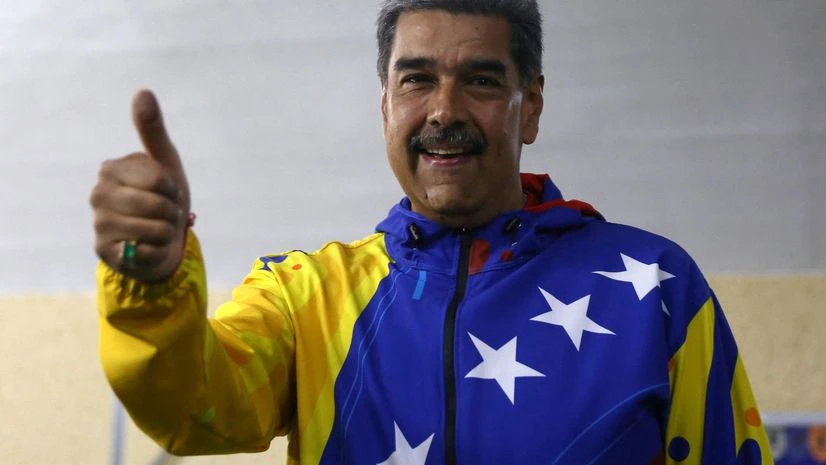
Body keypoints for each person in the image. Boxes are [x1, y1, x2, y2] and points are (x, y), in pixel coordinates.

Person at [90, 1, 774, 464]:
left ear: (528, 107)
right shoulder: (305, 296)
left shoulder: (655, 288)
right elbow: (193, 404)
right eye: (417, 80)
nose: (444, 110)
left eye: (479, 80)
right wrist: (149, 285)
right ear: (385, 104)